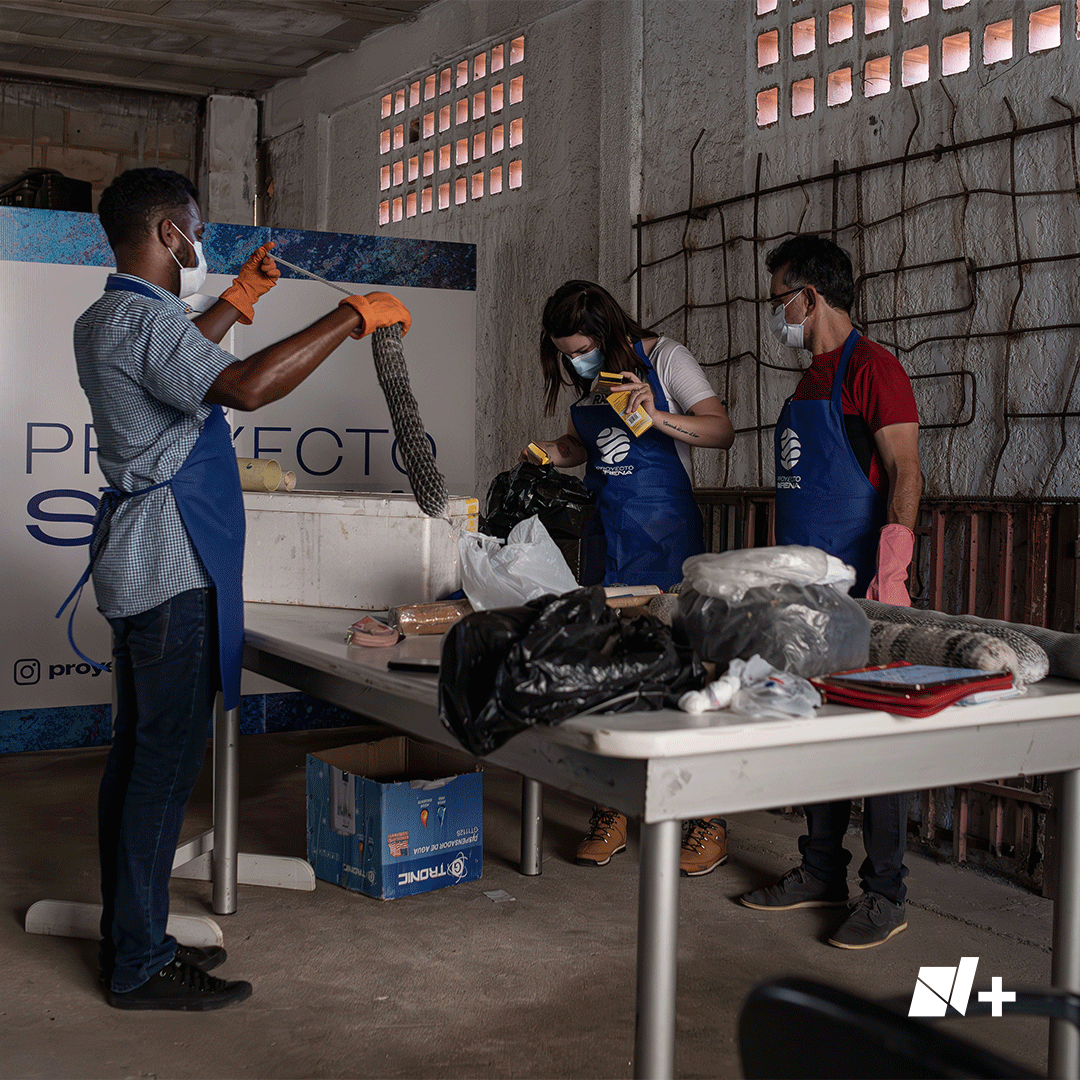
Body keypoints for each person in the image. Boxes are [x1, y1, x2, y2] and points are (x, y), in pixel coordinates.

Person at [71, 167, 410, 1009]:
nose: (203, 243)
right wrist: (347, 316)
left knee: (138, 759)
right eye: (196, 228)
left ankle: (131, 936)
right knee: (160, 767)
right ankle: (139, 964)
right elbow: (245, 388)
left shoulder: (115, 315)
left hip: (146, 563)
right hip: (172, 564)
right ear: (166, 231)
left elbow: (189, 362)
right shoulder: (143, 321)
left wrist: (240, 299)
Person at [738, 234, 922, 949]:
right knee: (818, 731)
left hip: (869, 593)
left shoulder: (874, 370)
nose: (775, 311)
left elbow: (904, 470)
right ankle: (821, 869)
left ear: (809, 296)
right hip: (808, 597)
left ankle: (888, 892)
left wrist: (893, 571)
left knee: (878, 744)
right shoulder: (809, 382)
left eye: (779, 295)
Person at [527, 280, 735, 875]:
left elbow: (718, 430)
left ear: (610, 332)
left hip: (666, 541)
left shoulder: (665, 359)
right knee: (606, 674)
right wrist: (551, 452)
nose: (573, 361)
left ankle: (705, 817)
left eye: (581, 349)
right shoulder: (586, 377)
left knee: (682, 675)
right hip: (607, 539)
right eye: (564, 352)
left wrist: (656, 414)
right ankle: (611, 809)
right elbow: (586, 444)